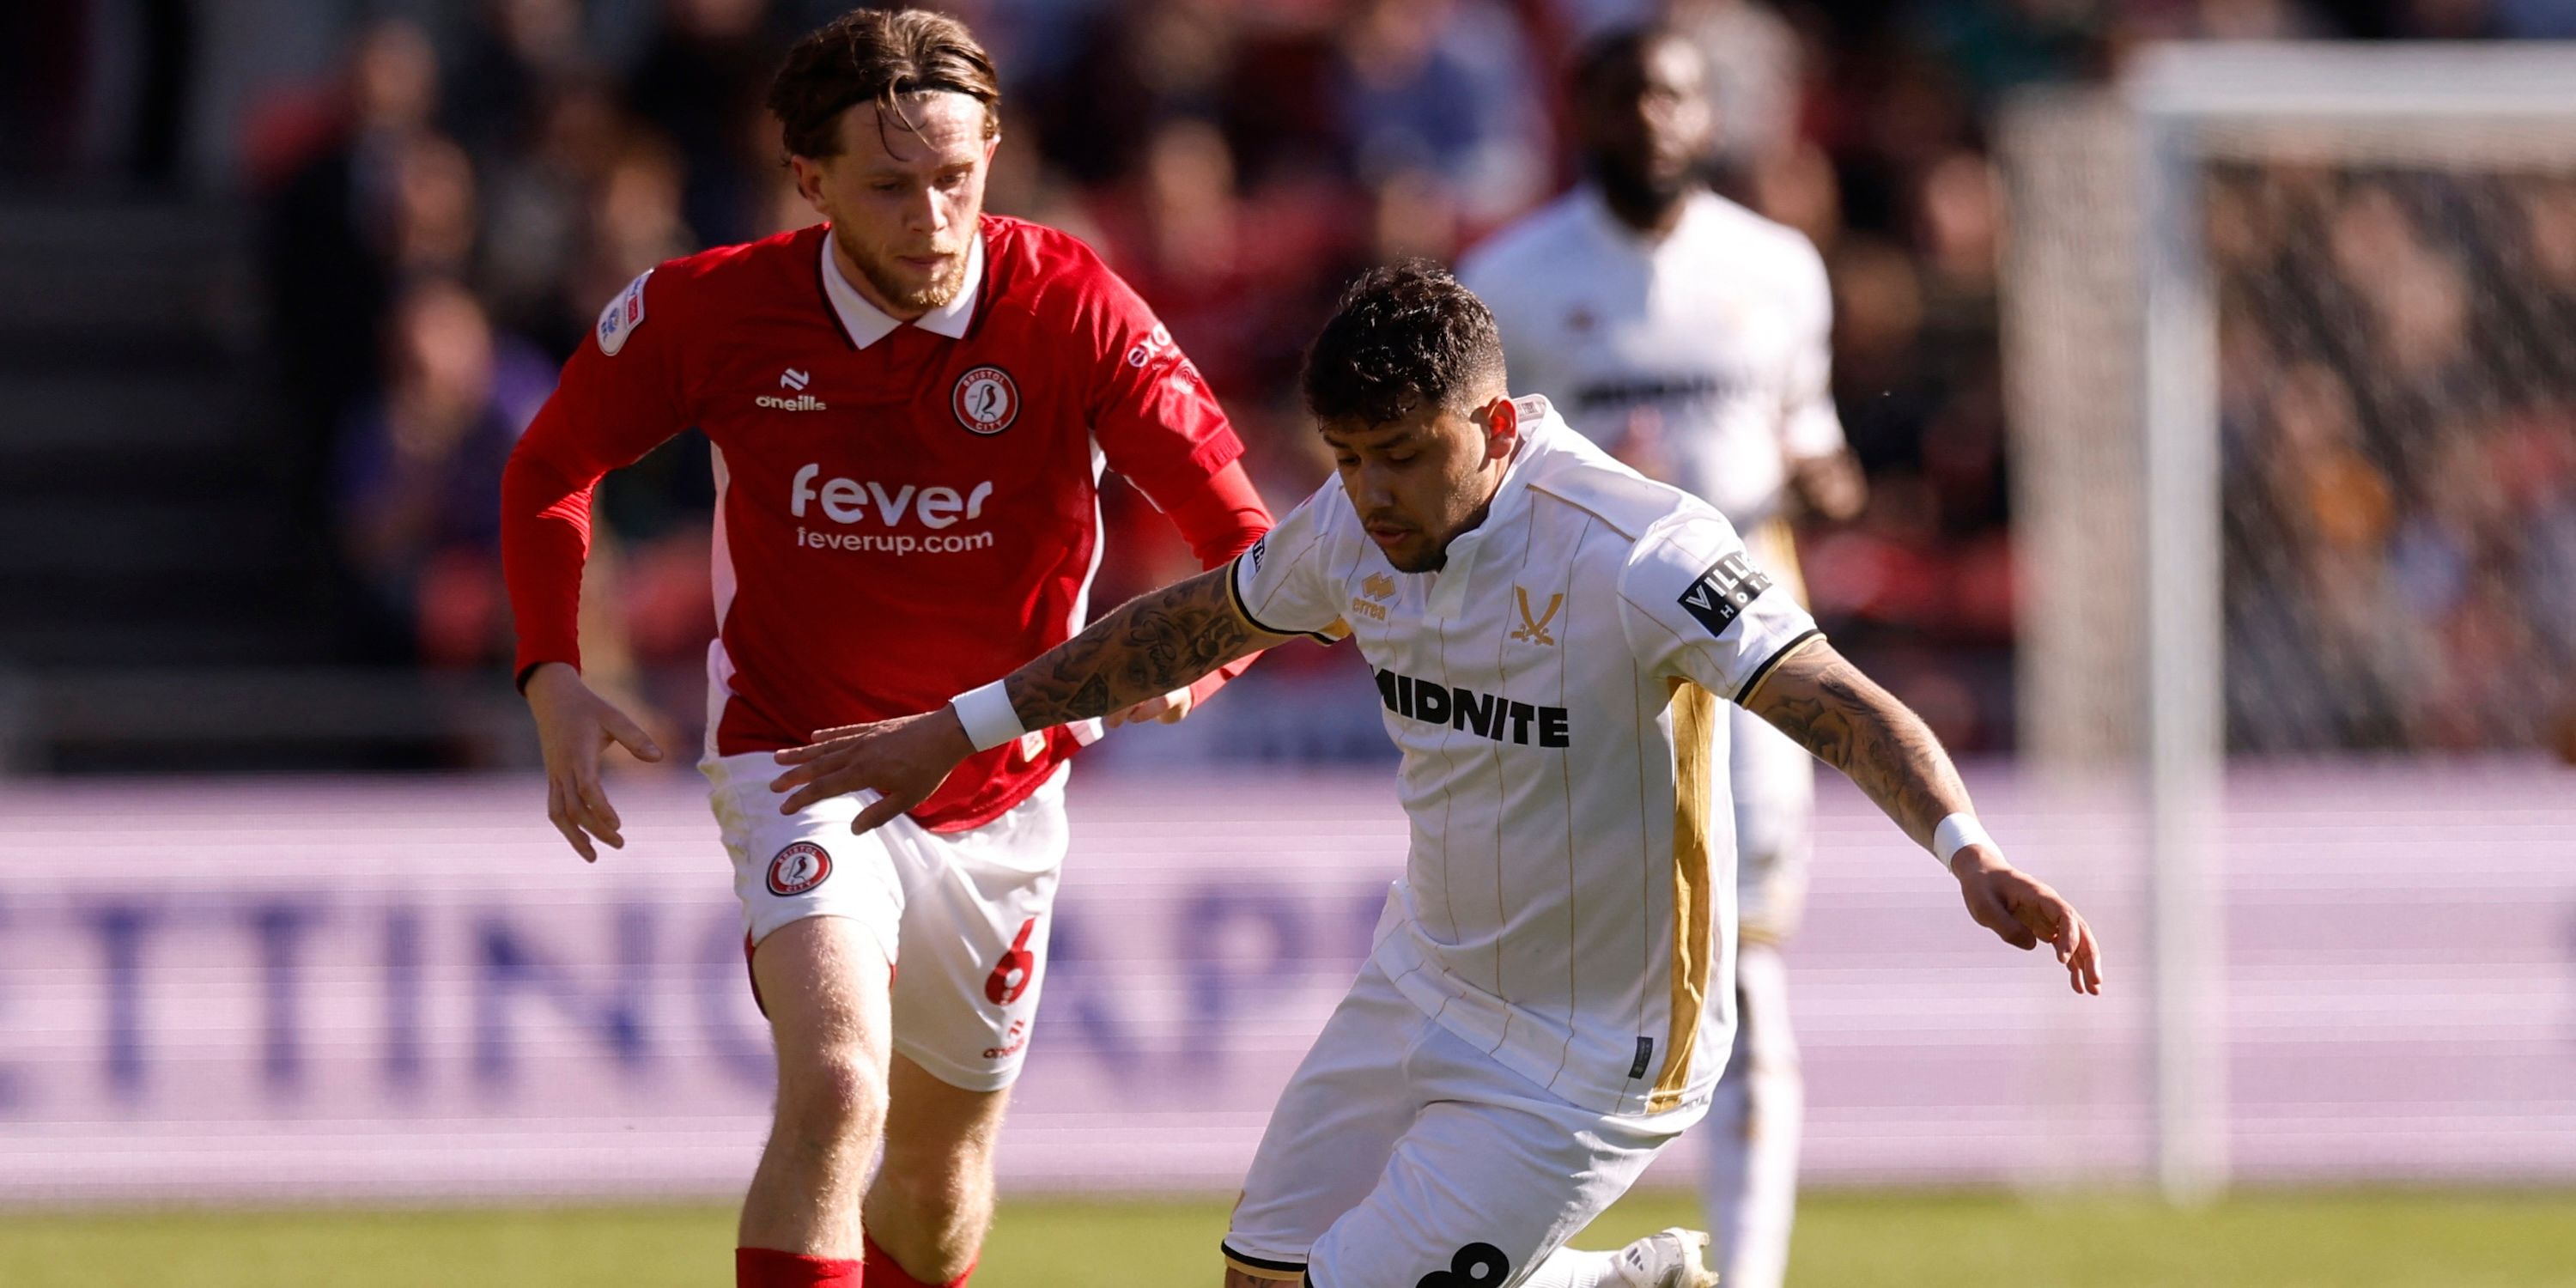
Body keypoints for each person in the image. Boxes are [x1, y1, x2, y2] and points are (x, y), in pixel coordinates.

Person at [772, 264, 2105, 1288]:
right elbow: (1184, 625)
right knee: (1262, 1273)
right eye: (1348, 458)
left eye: (1405, 454)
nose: (1373, 495)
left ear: (1499, 423)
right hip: (1427, 980)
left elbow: (1833, 696)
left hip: (1596, 1053)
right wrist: (957, 725)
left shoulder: (1635, 550)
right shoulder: (1352, 530)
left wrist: (1966, 847)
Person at [496, 11, 1273, 1288]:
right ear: (809, 181)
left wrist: (1209, 658)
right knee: (840, 1084)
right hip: (802, 764)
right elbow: (547, 467)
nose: (931, 218)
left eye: (957, 178)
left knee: (935, 1187)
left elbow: (1243, 537)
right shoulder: (714, 311)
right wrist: (550, 670)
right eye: (890, 186)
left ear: (995, 152)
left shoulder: (1071, 304)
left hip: (1004, 792)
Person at [1458, 26, 1865, 1286]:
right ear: (1578, 113)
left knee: (1746, 964)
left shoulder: (1779, 268)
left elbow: (1811, 444)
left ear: (1710, 114)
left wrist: (1834, 484)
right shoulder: (1509, 278)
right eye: (1627, 94)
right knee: (1532, 975)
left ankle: (1745, 1275)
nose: (1653, 117)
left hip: (1746, 627)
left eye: (1675, 94)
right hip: (1570, 648)